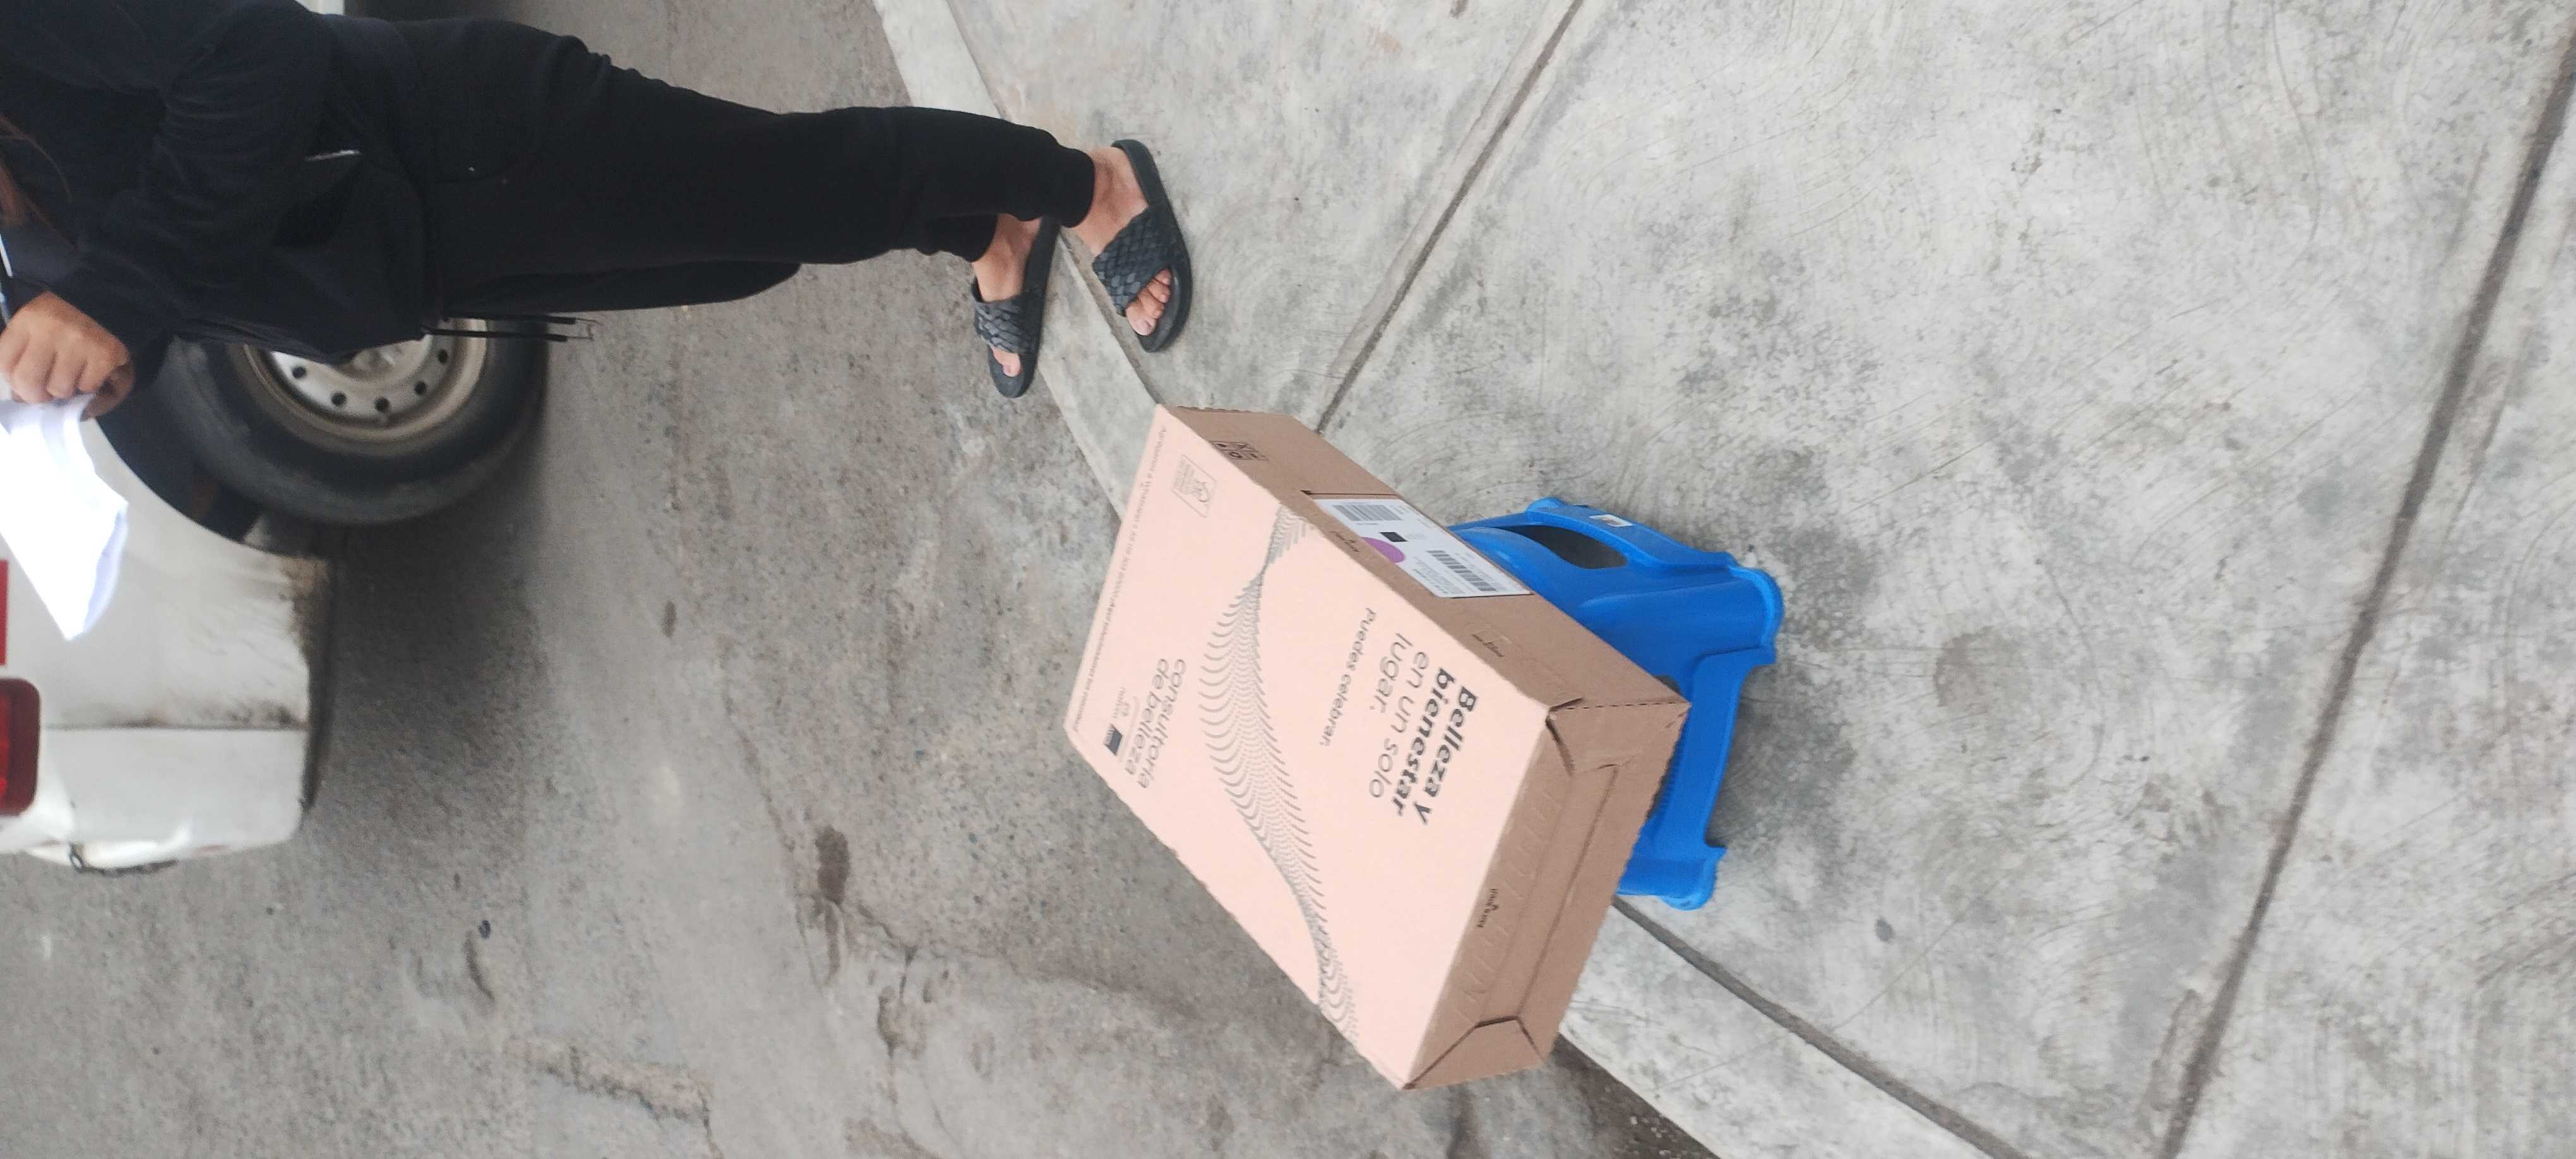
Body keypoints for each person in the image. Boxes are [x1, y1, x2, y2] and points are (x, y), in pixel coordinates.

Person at [0, 0, 1188, 415]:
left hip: (465, 141)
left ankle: (1081, 185)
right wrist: (109, 342)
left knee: (808, 186)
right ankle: (985, 227)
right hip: (426, 259)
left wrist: (117, 292)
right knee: (752, 252)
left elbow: (254, 50)